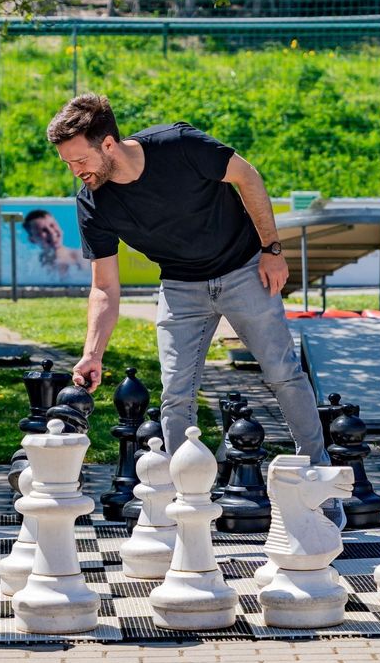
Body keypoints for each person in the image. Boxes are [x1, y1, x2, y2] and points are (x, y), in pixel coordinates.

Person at [46, 93, 329, 466]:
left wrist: (272, 249)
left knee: (284, 374)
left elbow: (247, 176)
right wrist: (92, 354)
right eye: (68, 163)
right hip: (180, 288)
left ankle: (319, 475)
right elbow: (104, 286)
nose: (76, 171)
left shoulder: (178, 145)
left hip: (244, 269)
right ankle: (186, 495)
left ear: (109, 143)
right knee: (176, 393)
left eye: (81, 159)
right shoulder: (92, 204)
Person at [22, 209, 88, 281]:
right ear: (32, 239)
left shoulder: (81, 257)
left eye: (52, 225)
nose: (51, 232)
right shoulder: (33, 264)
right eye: (43, 230)